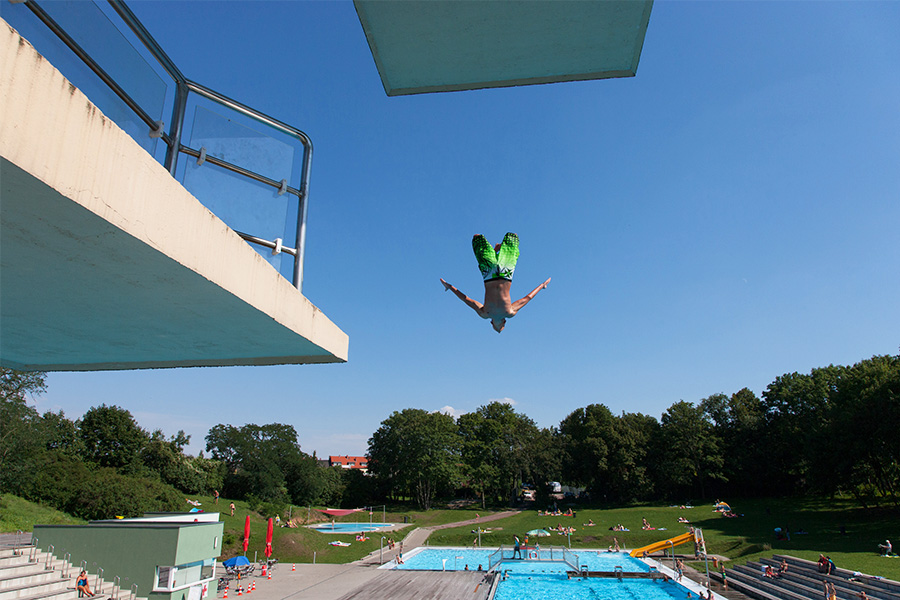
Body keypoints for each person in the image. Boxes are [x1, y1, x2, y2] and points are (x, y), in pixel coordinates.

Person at [441, 233, 550, 333]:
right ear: (504, 322)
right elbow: (527, 298)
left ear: (492, 322)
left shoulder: (484, 313)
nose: (499, 327)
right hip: (505, 274)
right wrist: (542, 286)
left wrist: (450, 287)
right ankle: (496, 251)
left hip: (489, 275)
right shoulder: (510, 312)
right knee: (512, 237)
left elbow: (466, 299)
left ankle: (495, 251)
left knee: (477, 237)